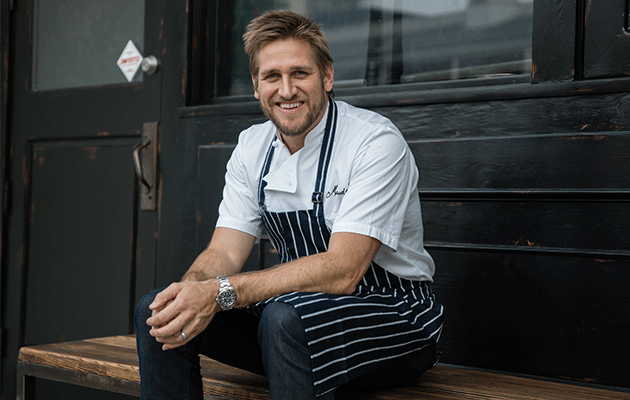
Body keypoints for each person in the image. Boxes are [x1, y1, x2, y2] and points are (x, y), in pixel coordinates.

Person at [136, 10, 444, 400]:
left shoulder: (374, 143)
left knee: (284, 320)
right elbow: (225, 251)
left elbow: (343, 271)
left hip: (394, 320)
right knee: (158, 311)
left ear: (327, 77)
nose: (286, 90)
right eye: (272, 76)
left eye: (300, 73)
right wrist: (194, 290)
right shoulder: (252, 147)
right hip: (293, 320)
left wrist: (221, 293)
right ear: (255, 85)